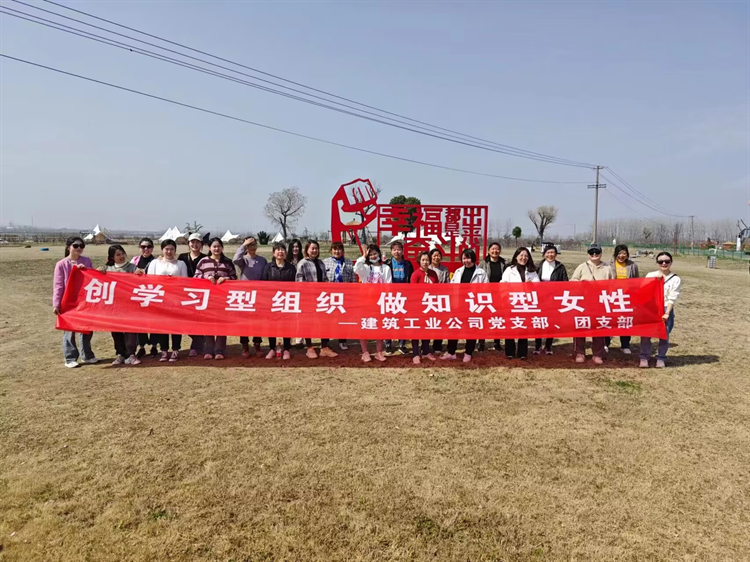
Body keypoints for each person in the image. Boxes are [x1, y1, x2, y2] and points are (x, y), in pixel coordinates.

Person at [53, 236, 98, 368]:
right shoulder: (61, 264)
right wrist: (56, 304)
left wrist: (87, 271)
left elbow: (93, 277)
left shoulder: (86, 261)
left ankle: (87, 355)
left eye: (81, 246)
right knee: (69, 329)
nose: (79, 248)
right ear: (69, 247)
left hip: (84, 300)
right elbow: (58, 285)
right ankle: (70, 357)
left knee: (86, 328)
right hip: (68, 301)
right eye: (76, 246)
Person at [441, 249, 488, 363]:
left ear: (473, 259)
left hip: (473, 305)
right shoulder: (458, 271)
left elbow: (485, 289)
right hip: (458, 304)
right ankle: (451, 352)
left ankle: (468, 352)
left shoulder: (481, 273)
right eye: (464, 258)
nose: (466, 261)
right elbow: (452, 287)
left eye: (468, 258)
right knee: (454, 327)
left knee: (471, 329)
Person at [570, 242, 614, 364]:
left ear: (601, 253)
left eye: (597, 252)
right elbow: (572, 281)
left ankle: (598, 354)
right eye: (591, 252)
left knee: (599, 328)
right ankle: (579, 352)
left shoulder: (607, 268)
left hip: (600, 303)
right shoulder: (582, 267)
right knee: (580, 327)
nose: (594, 254)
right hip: (583, 303)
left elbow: (613, 285)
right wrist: (581, 283)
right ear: (588, 254)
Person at [194, 238, 237, 360]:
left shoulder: (227, 262)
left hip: (223, 299)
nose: (216, 249)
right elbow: (196, 276)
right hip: (207, 299)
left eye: (218, 246)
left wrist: (226, 279)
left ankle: (219, 350)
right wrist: (206, 277)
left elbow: (234, 277)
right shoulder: (203, 261)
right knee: (208, 324)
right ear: (209, 248)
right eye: (214, 246)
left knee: (221, 324)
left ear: (222, 248)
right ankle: (209, 350)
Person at [146, 239, 188, 362]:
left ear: (175, 250)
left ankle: (175, 350)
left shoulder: (181, 264)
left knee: (176, 326)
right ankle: (164, 350)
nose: (169, 252)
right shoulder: (154, 263)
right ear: (162, 250)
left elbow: (185, 282)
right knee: (162, 325)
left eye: (172, 249)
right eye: (166, 249)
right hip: (160, 299)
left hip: (175, 300)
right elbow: (149, 280)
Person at [296, 240, 338, 358]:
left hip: (321, 298)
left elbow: (325, 278)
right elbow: (299, 282)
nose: (314, 251)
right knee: (307, 323)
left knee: (324, 322)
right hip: (308, 298)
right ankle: (309, 348)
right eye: (312, 248)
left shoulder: (320, 263)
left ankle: (324, 347)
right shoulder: (302, 263)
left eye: (316, 248)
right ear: (307, 250)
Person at [99, 244, 140, 365]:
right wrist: (98, 272)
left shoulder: (132, 267)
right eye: (118, 255)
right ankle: (120, 354)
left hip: (129, 305)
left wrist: (139, 273)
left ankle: (131, 354)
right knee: (116, 330)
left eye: (122, 253)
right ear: (112, 257)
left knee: (130, 330)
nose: (121, 256)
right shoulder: (108, 269)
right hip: (114, 306)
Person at [640, 252, 681, 368]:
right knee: (646, 334)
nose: (664, 263)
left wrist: (667, 312)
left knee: (664, 335)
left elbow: (672, 297)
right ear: (657, 263)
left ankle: (661, 358)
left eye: (667, 261)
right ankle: (644, 357)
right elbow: (643, 291)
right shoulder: (651, 275)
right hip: (651, 308)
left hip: (665, 308)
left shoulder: (675, 279)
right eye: (661, 261)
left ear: (671, 263)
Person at [353, 244, 392, 363]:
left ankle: (379, 352)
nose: (373, 256)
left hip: (380, 302)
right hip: (366, 301)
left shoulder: (385, 268)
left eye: (375, 253)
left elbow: (388, 285)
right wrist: (363, 256)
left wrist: (385, 300)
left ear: (379, 254)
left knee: (379, 327)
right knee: (364, 325)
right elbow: (356, 268)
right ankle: (365, 352)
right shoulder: (365, 268)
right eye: (370, 254)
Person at [501, 247, 540, 360]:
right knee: (510, 327)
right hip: (512, 302)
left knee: (523, 327)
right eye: (521, 255)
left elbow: (538, 285)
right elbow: (503, 284)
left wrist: (531, 285)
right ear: (516, 257)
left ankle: (522, 353)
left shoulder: (532, 271)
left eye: (526, 256)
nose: (523, 258)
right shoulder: (509, 270)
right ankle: (510, 352)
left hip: (525, 303)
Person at [233, 236, 267, 357]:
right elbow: (235, 259)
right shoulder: (243, 260)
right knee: (244, 322)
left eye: (253, 245)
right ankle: (245, 345)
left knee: (257, 322)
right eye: (249, 245)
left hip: (258, 294)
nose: (252, 247)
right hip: (245, 295)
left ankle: (257, 344)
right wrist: (243, 245)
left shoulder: (262, 260)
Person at [262, 242, 296, 360]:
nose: (280, 252)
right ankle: (272, 348)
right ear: (273, 253)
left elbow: (295, 285)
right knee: (272, 325)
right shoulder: (268, 267)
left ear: (286, 253)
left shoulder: (291, 268)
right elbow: (263, 284)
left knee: (287, 325)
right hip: (272, 301)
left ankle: (286, 349)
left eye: (282, 250)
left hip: (287, 301)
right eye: (278, 250)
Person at [534, 244, 568, 355]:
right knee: (538, 322)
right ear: (544, 254)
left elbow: (565, 283)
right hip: (539, 299)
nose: (550, 255)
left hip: (554, 299)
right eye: (548, 252)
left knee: (551, 322)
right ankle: (538, 346)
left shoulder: (560, 267)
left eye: (552, 252)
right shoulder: (538, 265)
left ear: (556, 254)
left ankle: (548, 346)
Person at [606, 244, 640, 355]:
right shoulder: (608, 264)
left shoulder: (632, 265)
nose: (621, 256)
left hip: (626, 298)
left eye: (624, 253)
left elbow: (636, 281)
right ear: (615, 254)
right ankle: (605, 343)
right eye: (619, 253)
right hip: (612, 297)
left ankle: (625, 345)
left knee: (625, 320)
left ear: (627, 254)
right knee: (609, 320)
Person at [178, 233, 207, 357]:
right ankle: (200, 340)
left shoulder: (206, 258)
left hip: (201, 294)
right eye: (192, 242)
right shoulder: (182, 257)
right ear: (188, 244)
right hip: (185, 293)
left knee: (198, 320)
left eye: (197, 242)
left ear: (201, 244)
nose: (195, 245)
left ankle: (196, 346)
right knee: (183, 320)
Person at [323, 241, 356, 351]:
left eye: (339, 249)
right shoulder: (325, 262)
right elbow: (323, 279)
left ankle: (342, 341)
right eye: (335, 249)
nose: (337, 251)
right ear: (331, 250)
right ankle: (325, 341)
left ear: (343, 251)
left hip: (344, 295)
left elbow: (353, 279)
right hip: (329, 295)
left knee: (343, 318)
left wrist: (352, 293)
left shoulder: (348, 262)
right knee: (327, 319)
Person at [384, 240, 414, 355]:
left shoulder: (408, 264)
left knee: (403, 320)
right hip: (390, 296)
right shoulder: (387, 264)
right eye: (394, 250)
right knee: (389, 319)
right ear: (391, 251)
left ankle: (402, 343)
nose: (397, 252)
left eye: (399, 249)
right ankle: (388, 343)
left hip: (403, 296)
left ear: (402, 251)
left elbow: (411, 280)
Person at [131, 237, 158, 358]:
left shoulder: (156, 261)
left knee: (154, 321)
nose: (146, 249)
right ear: (139, 248)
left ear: (152, 248)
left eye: (148, 247)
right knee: (139, 321)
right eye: (143, 247)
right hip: (139, 294)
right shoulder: (134, 260)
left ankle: (154, 346)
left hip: (153, 294)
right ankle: (141, 347)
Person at [409, 251, 439, 364]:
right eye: (423, 260)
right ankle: (415, 353)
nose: (425, 262)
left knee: (427, 329)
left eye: (427, 260)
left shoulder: (433, 274)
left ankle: (426, 351)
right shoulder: (416, 274)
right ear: (419, 261)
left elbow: (437, 289)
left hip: (430, 305)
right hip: (417, 306)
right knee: (416, 330)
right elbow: (413, 291)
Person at [478, 242, 507, 353]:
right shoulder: (483, 263)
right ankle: (481, 342)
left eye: (497, 249)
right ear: (488, 250)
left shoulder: (504, 263)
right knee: (484, 319)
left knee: (497, 318)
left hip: (500, 296)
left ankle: (497, 342)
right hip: (486, 296)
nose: (495, 251)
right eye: (493, 249)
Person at [428, 248, 450, 355]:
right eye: (434, 256)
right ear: (430, 257)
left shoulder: (444, 269)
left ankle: (437, 345)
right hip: (428, 299)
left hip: (441, 299)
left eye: (438, 255)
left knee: (440, 323)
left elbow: (447, 283)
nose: (436, 258)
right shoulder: (427, 268)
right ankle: (426, 345)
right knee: (428, 322)